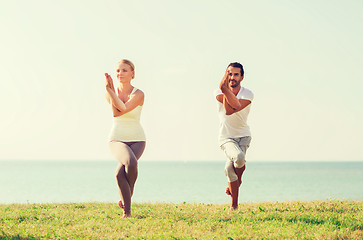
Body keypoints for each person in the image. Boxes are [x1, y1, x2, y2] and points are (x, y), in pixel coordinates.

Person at [105, 59, 146, 218]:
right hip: (117, 139)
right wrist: (110, 91)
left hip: (138, 139)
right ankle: (129, 197)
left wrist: (110, 91)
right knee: (131, 162)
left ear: (132, 73)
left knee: (119, 174)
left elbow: (123, 108)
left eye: (124, 70)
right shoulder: (110, 93)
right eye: (117, 71)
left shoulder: (139, 94)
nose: (120, 73)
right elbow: (116, 113)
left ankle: (126, 210)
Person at [215, 62, 254, 210]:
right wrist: (224, 89)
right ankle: (236, 194)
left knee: (230, 170)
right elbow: (227, 108)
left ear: (242, 77)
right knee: (238, 158)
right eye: (229, 74)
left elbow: (233, 108)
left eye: (236, 74)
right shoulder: (217, 93)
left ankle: (234, 203)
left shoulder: (248, 94)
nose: (232, 77)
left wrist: (224, 88)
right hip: (226, 138)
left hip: (244, 136)